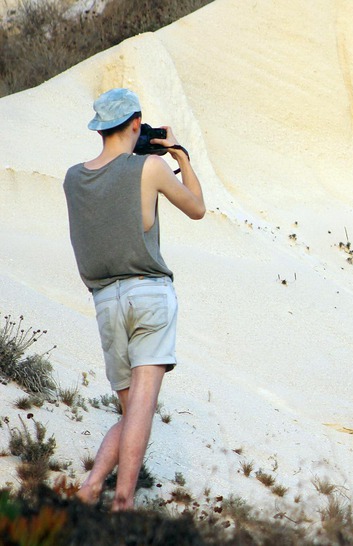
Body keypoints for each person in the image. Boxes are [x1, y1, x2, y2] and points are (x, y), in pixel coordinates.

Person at [63, 88, 205, 510]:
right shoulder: (150, 167)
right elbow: (197, 208)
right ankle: (123, 502)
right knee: (143, 407)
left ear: (100, 128)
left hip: (105, 301)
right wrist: (179, 156)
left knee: (132, 413)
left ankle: (91, 487)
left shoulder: (74, 178)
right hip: (148, 293)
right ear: (136, 125)